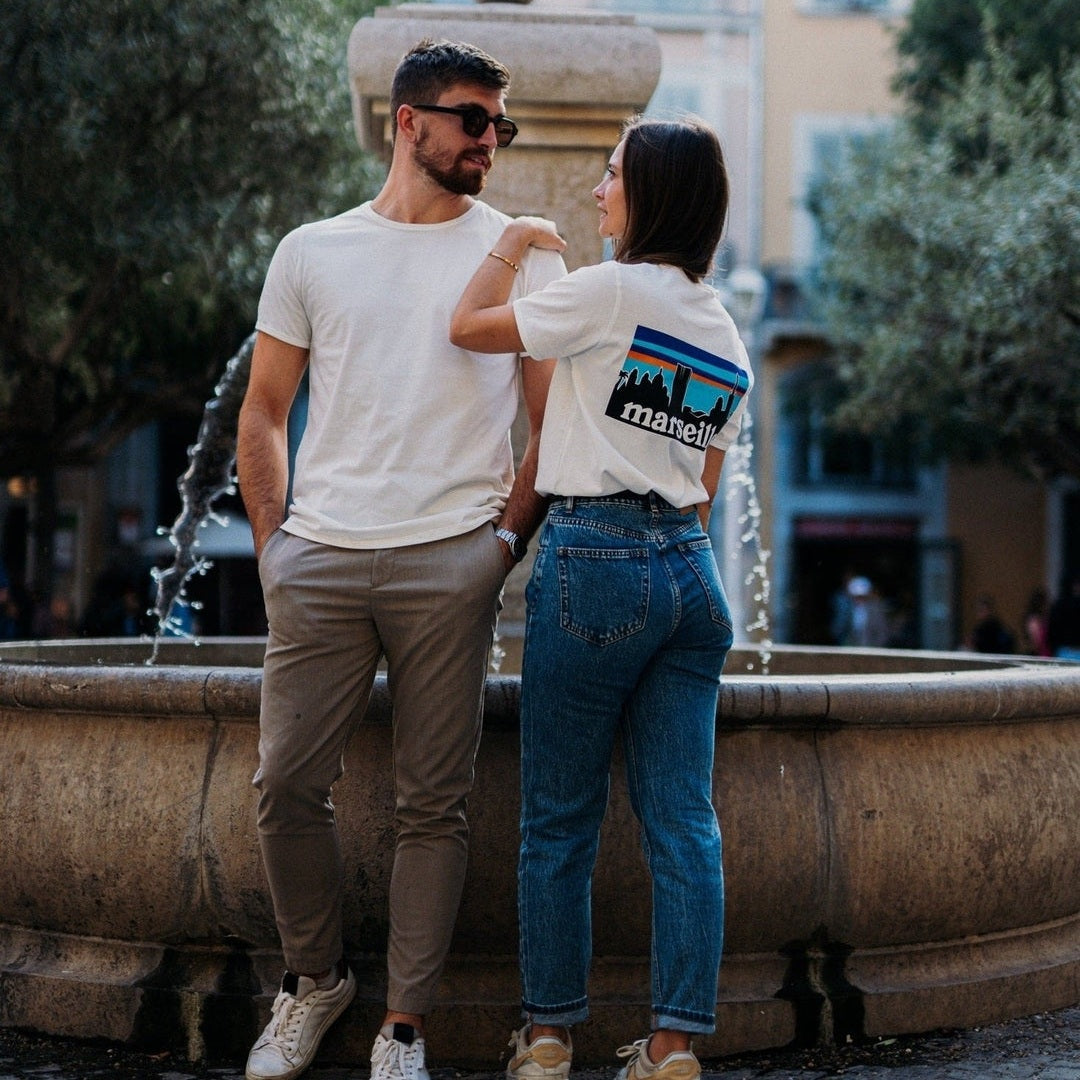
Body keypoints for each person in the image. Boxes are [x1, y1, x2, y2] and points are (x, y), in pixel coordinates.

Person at [235, 39, 566, 1080]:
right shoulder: (312, 250)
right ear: (407, 122)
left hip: (450, 563)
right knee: (284, 786)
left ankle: (404, 1029)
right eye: (475, 120)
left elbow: (549, 424)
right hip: (319, 557)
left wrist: (502, 544)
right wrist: (272, 548)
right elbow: (264, 409)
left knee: (436, 805)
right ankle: (314, 982)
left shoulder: (523, 253)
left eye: (502, 125)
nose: (492, 142)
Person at [450, 116, 752, 1080]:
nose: (596, 192)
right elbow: (703, 483)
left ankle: (547, 1039)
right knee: (684, 823)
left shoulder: (606, 290)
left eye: (612, 175)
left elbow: (469, 327)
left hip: (594, 560)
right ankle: (673, 1048)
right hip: (690, 577)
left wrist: (512, 239)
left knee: (558, 819)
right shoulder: (719, 324)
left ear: (651, 192)